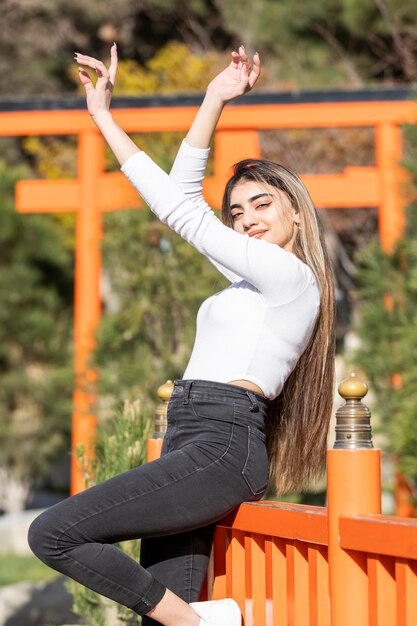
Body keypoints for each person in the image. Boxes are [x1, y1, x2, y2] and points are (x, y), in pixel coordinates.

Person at [28, 44, 335, 626]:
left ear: (297, 212)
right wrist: (192, 102)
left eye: (261, 204)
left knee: (54, 533)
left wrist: (122, 117)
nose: (246, 219)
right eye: (237, 211)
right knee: (161, 612)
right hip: (193, 438)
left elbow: (180, 214)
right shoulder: (254, 278)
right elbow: (184, 199)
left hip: (221, 443)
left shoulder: (291, 276)